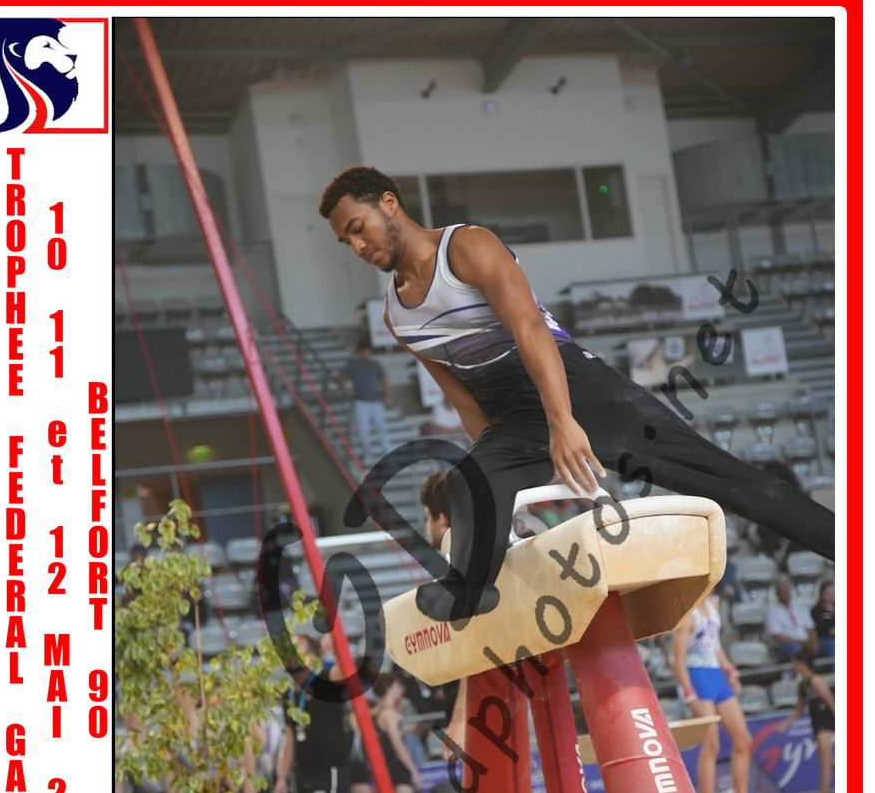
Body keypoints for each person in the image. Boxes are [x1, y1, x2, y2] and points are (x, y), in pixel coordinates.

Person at [319, 166, 834, 623]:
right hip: (513, 417)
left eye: (358, 228)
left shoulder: (467, 247)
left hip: (576, 387)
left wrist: (562, 420)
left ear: (389, 202)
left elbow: (530, 329)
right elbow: (465, 400)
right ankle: (469, 590)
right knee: (466, 484)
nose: (357, 246)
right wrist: (500, 480)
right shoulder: (397, 316)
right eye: (345, 242)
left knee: (726, 481)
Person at [418, 469, 567, 793]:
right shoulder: (481, 551)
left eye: (426, 517)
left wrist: (459, 720)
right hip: (502, 685)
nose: (425, 527)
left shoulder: (462, 558)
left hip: (488, 693)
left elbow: (475, 643)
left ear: (441, 518)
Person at [671, 595, 772, 793]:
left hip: (716, 675)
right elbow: (678, 661)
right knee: (711, 744)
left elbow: (714, 644)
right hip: (698, 677)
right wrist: (689, 694)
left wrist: (730, 670)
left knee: (743, 740)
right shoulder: (687, 614)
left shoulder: (713, 604)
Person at [274, 635, 353, 793]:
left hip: (329, 768)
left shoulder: (326, 678)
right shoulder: (290, 693)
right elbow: (289, 736)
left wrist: (336, 648)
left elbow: (346, 672)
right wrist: (281, 778)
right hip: (304, 772)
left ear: (311, 654)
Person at [776, 645, 835, 793]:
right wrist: (785, 724)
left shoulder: (815, 681)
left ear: (801, 663)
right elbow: (799, 710)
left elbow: (831, 701)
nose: (792, 665)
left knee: (824, 759)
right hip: (816, 722)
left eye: (794, 662)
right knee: (827, 759)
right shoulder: (802, 685)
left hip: (826, 721)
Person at [368, 671, 423, 793]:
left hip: (384, 768)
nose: (401, 689)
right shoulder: (389, 715)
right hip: (397, 769)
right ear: (390, 687)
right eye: (399, 685)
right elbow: (398, 745)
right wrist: (414, 771)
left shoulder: (375, 712)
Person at [340, 338, 392, 468]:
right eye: (363, 352)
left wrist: (386, 396)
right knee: (364, 430)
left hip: (376, 401)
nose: (366, 354)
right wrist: (344, 389)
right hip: (361, 401)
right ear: (359, 352)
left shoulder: (375, 364)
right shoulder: (352, 365)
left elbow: (383, 380)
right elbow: (341, 377)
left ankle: (388, 453)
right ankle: (368, 454)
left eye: (368, 352)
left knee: (382, 427)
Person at [766, 578, 818, 664]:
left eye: (787, 591)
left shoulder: (800, 607)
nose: (785, 593)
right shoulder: (772, 612)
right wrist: (802, 642)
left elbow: (810, 627)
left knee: (830, 645)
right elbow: (777, 636)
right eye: (782, 591)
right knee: (796, 649)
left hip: (805, 641)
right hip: (787, 645)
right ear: (777, 594)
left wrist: (813, 642)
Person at [811, 579, 835, 660]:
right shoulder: (816, 610)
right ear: (822, 593)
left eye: (832, 593)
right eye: (828, 593)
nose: (830, 595)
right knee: (831, 644)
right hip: (824, 639)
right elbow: (819, 628)